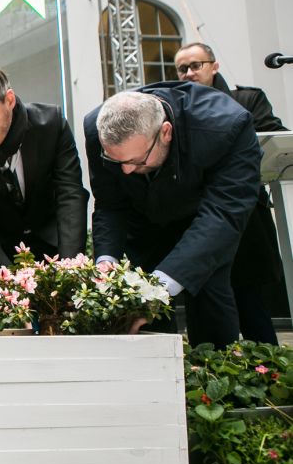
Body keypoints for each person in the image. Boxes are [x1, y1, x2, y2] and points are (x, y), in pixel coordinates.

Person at [85, 84, 262, 348]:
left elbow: (222, 214)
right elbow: (110, 204)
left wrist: (156, 291)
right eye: (115, 161)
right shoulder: (95, 128)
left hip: (204, 220)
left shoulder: (227, 126)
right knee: (139, 315)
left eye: (137, 161)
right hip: (144, 220)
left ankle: (209, 373)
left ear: (165, 132)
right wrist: (105, 261)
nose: (126, 171)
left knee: (210, 294)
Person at [174, 42, 286, 344]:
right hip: (197, 219)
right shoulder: (176, 108)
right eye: (182, 69)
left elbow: (271, 135)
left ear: (214, 66)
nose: (189, 73)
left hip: (246, 218)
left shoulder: (247, 99)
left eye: (195, 65)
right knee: (203, 303)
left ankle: (267, 375)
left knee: (252, 303)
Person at [0, 61, 88, 267]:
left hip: (55, 245)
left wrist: (70, 266)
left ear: (9, 100)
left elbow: (70, 195)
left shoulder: (51, 125)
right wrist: (7, 280)